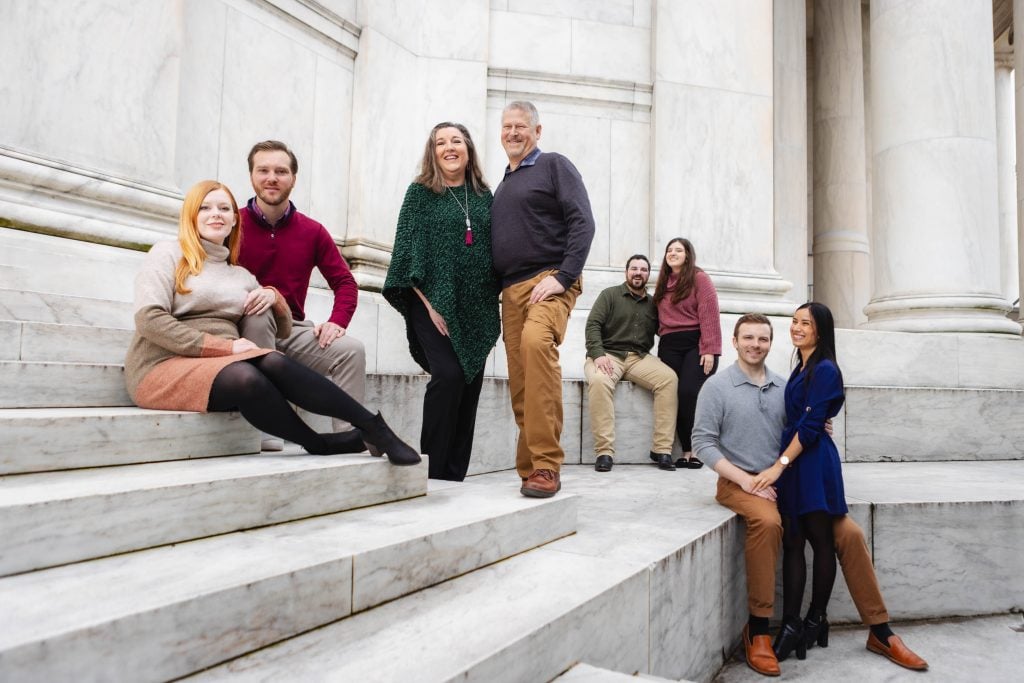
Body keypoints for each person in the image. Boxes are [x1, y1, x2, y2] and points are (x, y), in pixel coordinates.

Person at [692, 313, 927, 676]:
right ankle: (757, 629)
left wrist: (818, 422)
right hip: (740, 482)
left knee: (849, 533)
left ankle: (880, 631)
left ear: (771, 343)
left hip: (786, 479)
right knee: (768, 523)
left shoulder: (784, 385)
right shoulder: (717, 387)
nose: (755, 344)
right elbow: (702, 443)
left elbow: (805, 422)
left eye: (763, 339)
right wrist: (745, 480)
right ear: (735, 341)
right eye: (748, 338)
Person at [124, 180, 421, 466]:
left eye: (224, 209)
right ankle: (319, 442)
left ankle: (373, 426)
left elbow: (283, 330)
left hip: (219, 366)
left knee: (272, 363)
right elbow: (149, 320)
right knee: (247, 376)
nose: (215, 214)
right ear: (191, 215)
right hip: (163, 365)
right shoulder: (168, 253)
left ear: (234, 221)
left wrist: (274, 296)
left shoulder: (239, 275)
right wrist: (224, 347)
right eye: (205, 208)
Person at [383, 122, 500, 481]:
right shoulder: (419, 193)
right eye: (440, 143)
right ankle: (431, 470)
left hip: (476, 307)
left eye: (455, 141)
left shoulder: (484, 196)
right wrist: (433, 305)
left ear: (468, 148)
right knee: (447, 376)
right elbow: (405, 254)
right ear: (432, 152)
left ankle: (455, 476)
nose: (448, 147)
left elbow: (496, 250)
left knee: (469, 385)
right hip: (429, 302)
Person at [491, 100, 595, 498]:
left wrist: (564, 276)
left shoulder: (554, 165)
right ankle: (529, 467)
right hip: (511, 289)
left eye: (521, 126)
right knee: (521, 381)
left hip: (549, 280)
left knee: (537, 345)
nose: (513, 133)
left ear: (537, 131)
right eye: (507, 127)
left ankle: (547, 465)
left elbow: (582, 221)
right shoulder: (503, 185)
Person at [236, 140, 366, 452]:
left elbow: (345, 283)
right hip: (239, 327)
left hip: (289, 327)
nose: (272, 178)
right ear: (252, 176)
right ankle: (266, 426)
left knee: (352, 350)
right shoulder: (232, 224)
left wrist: (337, 321)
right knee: (257, 311)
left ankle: (350, 435)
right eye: (263, 170)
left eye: (281, 171)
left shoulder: (312, 231)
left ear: (293, 178)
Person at [584, 254, 678, 472]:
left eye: (643, 269)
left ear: (648, 275)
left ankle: (662, 450)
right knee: (599, 381)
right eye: (634, 268)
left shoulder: (654, 303)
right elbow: (593, 326)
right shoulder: (609, 295)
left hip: (639, 358)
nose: (638, 273)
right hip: (608, 355)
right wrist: (598, 354)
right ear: (626, 272)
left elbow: (668, 327)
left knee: (669, 379)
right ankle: (604, 452)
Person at [653, 237, 721, 469]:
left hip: (696, 344)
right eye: (669, 250)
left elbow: (709, 314)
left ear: (687, 255)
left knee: (689, 391)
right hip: (669, 345)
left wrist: (710, 349)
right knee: (673, 394)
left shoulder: (699, 279)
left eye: (678, 250)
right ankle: (686, 450)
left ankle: (699, 449)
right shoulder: (662, 283)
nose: (672, 253)